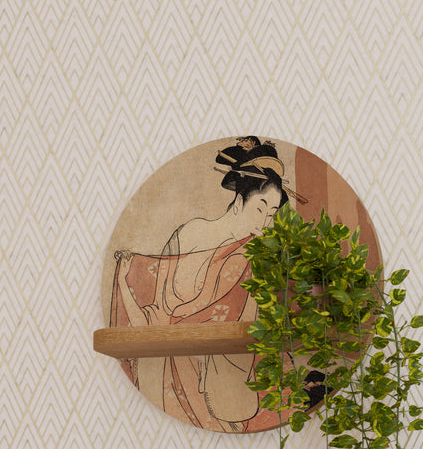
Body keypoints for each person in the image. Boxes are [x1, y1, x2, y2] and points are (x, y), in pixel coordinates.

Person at [111, 137, 289, 431]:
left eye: (271, 215)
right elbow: (156, 307)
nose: (265, 224)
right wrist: (124, 276)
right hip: (169, 366)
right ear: (239, 201)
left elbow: (251, 330)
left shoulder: (251, 259)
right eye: (260, 209)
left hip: (219, 379)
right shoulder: (190, 234)